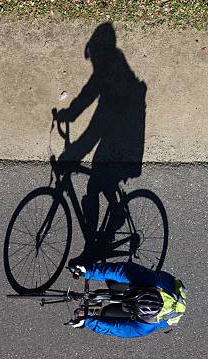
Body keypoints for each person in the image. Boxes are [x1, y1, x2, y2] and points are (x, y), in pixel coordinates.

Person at [54, 22, 147, 248]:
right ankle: (113, 217)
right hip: (117, 133)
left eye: (94, 53)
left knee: (96, 181)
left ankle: (92, 247)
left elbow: (97, 126)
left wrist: (75, 152)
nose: (93, 59)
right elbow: (89, 93)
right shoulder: (108, 66)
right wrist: (70, 114)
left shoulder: (114, 76)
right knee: (100, 179)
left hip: (125, 138)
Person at [69, 262, 187, 338]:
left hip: (161, 315)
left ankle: (95, 313)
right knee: (113, 281)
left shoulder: (146, 326)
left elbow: (115, 328)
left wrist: (88, 322)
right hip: (166, 282)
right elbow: (118, 270)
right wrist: (88, 271)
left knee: (107, 314)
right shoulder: (150, 280)